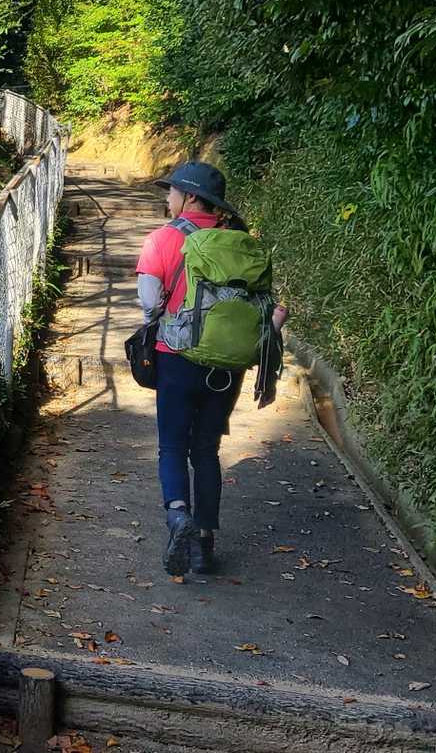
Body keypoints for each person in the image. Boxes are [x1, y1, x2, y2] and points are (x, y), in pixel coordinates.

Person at [135, 162, 287, 578]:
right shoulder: (240, 242)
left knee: (172, 446)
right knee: (205, 450)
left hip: (177, 358)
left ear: (189, 197)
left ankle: (178, 516)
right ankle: (204, 545)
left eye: (171, 191)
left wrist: (164, 313)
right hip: (227, 365)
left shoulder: (163, 239)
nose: (167, 198)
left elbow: (149, 303)